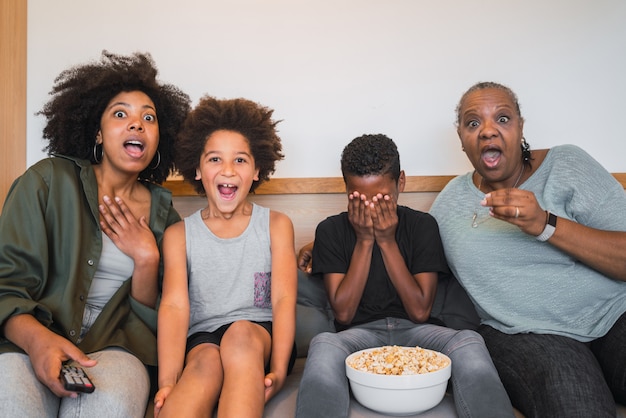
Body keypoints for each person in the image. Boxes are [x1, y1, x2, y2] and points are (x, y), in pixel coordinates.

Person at [0, 51, 190, 417]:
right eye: (121, 114)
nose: (137, 124)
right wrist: (39, 341)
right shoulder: (46, 181)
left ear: (158, 139)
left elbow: (161, 318)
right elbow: (7, 283)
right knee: (9, 397)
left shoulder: (168, 220)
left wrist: (147, 259)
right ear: (98, 133)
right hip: (30, 334)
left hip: (118, 348)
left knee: (112, 405)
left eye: (148, 118)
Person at [429, 81, 626, 418]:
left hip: (614, 315)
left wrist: (544, 224)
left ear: (520, 126)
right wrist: (331, 242)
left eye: (502, 119)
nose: (488, 131)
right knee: (576, 402)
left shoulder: (566, 165)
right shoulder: (448, 206)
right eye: (473, 123)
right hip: (526, 335)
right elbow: (411, 253)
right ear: (461, 139)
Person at [295, 134, 513, 418]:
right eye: (358, 198)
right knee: (323, 344)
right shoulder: (331, 230)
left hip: (417, 331)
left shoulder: (422, 226)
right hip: (357, 335)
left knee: (470, 342)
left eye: (382, 198)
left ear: (401, 182)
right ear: (346, 188)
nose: (371, 208)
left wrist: (386, 241)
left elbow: (420, 310)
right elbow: (344, 314)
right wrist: (364, 241)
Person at [154, 96, 297, 418]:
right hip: (203, 337)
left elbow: (284, 299)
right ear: (197, 169)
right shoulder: (179, 236)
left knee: (240, 335)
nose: (228, 170)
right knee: (205, 362)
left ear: (258, 169)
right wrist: (167, 382)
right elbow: (175, 307)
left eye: (241, 160)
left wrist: (279, 368)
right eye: (215, 159)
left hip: (259, 333)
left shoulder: (275, 226)